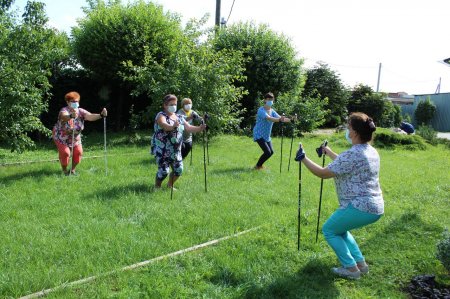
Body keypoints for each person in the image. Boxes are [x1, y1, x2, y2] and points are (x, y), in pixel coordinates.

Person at [295, 112, 384, 280]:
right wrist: (328, 152)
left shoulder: (353, 154)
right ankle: (361, 265)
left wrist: (303, 158)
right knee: (341, 230)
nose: (347, 130)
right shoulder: (370, 151)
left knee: (329, 230)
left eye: (348, 127)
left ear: (355, 133)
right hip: (374, 206)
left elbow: (323, 173)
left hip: (360, 206)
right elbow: (345, 163)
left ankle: (351, 269)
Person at [151, 94, 206, 188]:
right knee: (164, 171)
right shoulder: (160, 115)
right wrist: (172, 126)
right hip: (163, 150)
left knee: (179, 170)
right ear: (165, 105)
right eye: (171, 104)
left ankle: (170, 185)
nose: (174, 106)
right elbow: (164, 125)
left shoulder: (178, 116)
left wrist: (200, 128)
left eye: (175, 104)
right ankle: (157, 186)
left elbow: (188, 128)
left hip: (176, 150)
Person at [53, 91, 107, 175]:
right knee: (65, 153)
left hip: (75, 138)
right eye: (73, 102)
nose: (75, 103)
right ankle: (64, 170)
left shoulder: (80, 111)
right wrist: (71, 116)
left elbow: (90, 116)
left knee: (78, 152)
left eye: (77, 101)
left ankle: (72, 170)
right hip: (61, 137)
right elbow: (63, 117)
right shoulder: (64, 110)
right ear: (67, 102)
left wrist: (101, 115)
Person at [253, 92, 292, 170]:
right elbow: (269, 118)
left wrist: (291, 120)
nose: (270, 101)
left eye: (271, 99)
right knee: (267, 152)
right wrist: (280, 120)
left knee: (271, 152)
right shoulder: (261, 110)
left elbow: (281, 118)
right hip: (259, 134)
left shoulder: (272, 110)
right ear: (265, 100)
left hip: (266, 135)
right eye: (268, 99)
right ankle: (257, 166)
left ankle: (259, 166)